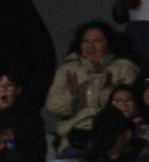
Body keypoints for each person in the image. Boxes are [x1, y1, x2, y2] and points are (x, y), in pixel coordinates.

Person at [44, 20, 140, 153]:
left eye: (97, 41)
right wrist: (72, 95)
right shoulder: (68, 69)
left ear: (109, 43)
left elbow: (127, 107)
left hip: (112, 138)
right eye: (86, 41)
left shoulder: (124, 68)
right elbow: (53, 106)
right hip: (73, 137)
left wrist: (108, 90)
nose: (90, 46)